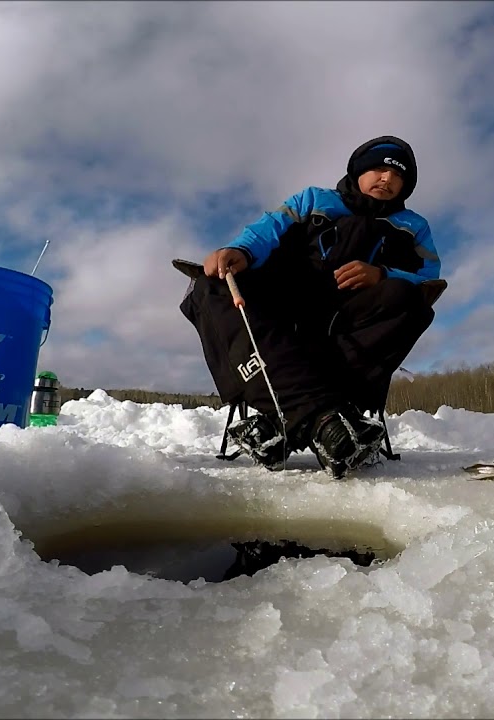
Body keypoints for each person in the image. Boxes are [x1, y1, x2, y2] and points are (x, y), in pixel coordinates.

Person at [179, 135, 442, 478]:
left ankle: (286, 420)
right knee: (211, 284)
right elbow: (267, 229)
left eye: (399, 176)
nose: (388, 179)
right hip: (285, 314)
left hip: (347, 328)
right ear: (357, 171)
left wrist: (382, 274)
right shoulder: (314, 200)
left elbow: (429, 279)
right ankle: (322, 418)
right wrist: (240, 251)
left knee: (409, 299)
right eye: (378, 169)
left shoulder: (413, 227)